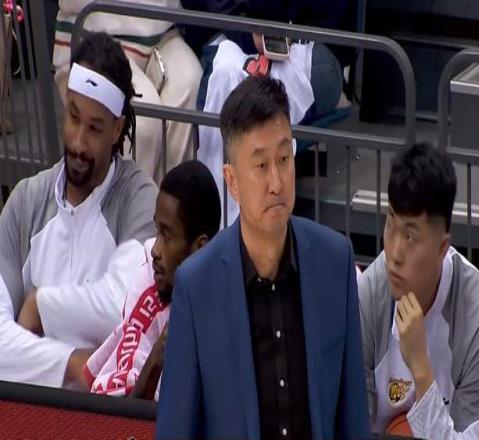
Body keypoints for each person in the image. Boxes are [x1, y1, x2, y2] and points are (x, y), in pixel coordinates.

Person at [156, 76, 369, 440]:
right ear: (232, 181)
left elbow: (353, 422)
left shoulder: (335, 262)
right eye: (260, 166)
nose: (276, 183)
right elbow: (176, 430)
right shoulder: (197, 285)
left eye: (284, 160)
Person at [1, 32, 158, 388]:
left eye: (95, 128)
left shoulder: (139, 199)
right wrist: (73, 364)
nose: (78, 142)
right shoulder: (26, 200)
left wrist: (41, 306)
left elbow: (125, 306)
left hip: (104, 411)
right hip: (30, 408)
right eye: (73, 117)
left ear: (117, 130)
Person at [358, 143, 479, 439]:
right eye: (390, 223)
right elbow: (354, 427)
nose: (394, 253)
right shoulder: (368, 296)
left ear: (442, 247)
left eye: (410, 236)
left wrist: (421, 369)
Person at [181, 0, 349, 226]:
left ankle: (264, 221)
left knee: (311, 75)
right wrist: (250, 34)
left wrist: (286, 30)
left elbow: (328, 15)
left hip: (297, 39)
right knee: (227, 74)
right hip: (229, 33)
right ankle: (225, 222)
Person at [83, 160, 221, 401]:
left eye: (167, 236)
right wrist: (154, 362)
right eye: (158, 230)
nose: (155, 249)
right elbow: (122, 411)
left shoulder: (223, 315)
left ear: (199, 248)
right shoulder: (148, 277)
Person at [53, 0, 203, 183]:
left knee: (190, 81)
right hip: (95, 37)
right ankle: (132, 199)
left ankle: (171, 197)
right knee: (143, 122)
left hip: (163, 32)